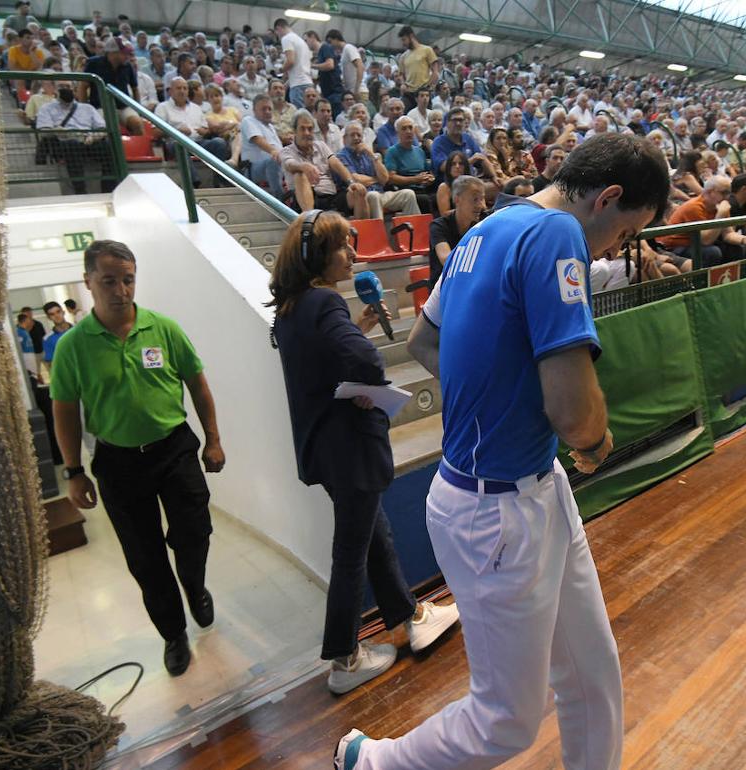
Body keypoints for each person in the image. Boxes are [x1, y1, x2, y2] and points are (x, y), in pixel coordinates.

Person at [335, 133, 670, 770]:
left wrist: (497, 395)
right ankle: (371, 762)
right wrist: (595, 439)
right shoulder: (559, 234)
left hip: (532, 485)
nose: (615, 249)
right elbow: (575, 416)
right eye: (626, 233)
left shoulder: (486, 229)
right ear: (608, 198)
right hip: (494, 510)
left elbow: (422, 342)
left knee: (592, 673)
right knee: (506, 721)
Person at [268, 210, 461, 694]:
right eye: (342, 246)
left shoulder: (293, 308)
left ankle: (409, 617)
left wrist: (354, 326)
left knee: (375, 536)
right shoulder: (324, 302)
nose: (352, 253)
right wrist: (363, 359)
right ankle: (344, 658)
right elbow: (366, 362)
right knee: (352, 552)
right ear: (316, 255)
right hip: (348, 448)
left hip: (325, 451)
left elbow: (322, 366)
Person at [50, 240, 227, 677]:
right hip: (118, 463)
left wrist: (213, 439)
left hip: (174, 449)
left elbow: (197, 385)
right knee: (145, 557)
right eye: (109, 281)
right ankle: (173, 634)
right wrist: (74, 471)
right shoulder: (73, 346)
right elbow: (65, 411)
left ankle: (195, 586)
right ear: (88, 281)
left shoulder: (162, 328)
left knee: (194, 532)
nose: (121, 290)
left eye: (128, 280)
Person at [280, 110, 370, 217]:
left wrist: (351, 182)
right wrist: (303, 166)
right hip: (303, 200)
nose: (307, 133)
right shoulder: (286, 151)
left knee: (358, 191)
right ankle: (310, 220)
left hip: (330, 196)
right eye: (302, 129)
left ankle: (362, 227)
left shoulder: (321, 146)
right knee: (300, 174)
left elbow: (336, 164)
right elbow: (289, 165)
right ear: (295, 131)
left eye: (310, 129)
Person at [35, 82, 116, 194]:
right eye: (61, 87)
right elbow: (43, 131)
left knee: (109, 147)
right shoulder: (46, 108)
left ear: (74, 88)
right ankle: (80, 190)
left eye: (68, 86)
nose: (65, 89)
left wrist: (93, 137)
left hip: (87, 141)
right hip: (63, 143)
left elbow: (102, 128)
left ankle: (109, 189)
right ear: (55, 89)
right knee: (72, 145)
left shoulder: (87, 108)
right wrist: (56, 130)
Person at [336, 121, 421, 220]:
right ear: (344, 139)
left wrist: (372, 155)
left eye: (359, 135)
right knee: (374, 195)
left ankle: (416, 229)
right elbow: (355, 179)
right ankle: (378, 230)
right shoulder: (341, 156)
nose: (356, 138)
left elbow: (384, 179)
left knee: (408, 194)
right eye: (352, 135)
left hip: (381, 193)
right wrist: (376, 179)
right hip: (360, 198)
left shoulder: (368, 154)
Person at [427, 174, 485, 287]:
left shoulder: (485, 221)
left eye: (482, 199)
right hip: (445, 287)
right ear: (457, 199)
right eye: (475, 199)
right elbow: (446, 259)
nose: (481, 205)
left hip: (473, 283)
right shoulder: (438, 226)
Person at [79, 38, 144, 136]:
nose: (127, 56)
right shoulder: (94, 63)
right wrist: (84, 108)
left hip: (122, 106)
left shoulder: (128, 66)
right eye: (124, 53)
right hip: (100, 107)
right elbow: (83, 87)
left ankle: (139, 145)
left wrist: (137, 108)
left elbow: (135, 88)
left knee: (137, 123)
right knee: (104, 126)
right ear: (113, 52)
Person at [240, 94, 285, 194]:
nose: (267, 112)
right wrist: (273, 151)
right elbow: (257, 139)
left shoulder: (271, 127)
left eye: (270, 109)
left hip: (276, 167)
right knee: (273, 161)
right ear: (254, 110)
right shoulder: (248, 120)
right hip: (253, 169)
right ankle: (278, 198)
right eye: (263, 109)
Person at [273, 17, 312, 107]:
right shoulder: (301, 41)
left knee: (300, 114)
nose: (278, 36)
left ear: (278, 28)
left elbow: (290, 61)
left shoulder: (286, 39)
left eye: (277, 33)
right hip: (308, 82)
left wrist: (280, 69)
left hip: (298, 85)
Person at [397, 26, 439, 111]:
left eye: (404, 40)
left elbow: (435, 72)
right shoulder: (403, 56)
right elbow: (401, 74)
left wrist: (428, 86)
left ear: (411, 36)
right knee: (402, 113)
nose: (403, 43)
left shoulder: (427, 50)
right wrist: (403, 84)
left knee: (426, 116)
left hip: (423, 92)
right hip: (408, 93)